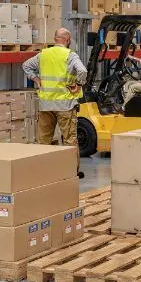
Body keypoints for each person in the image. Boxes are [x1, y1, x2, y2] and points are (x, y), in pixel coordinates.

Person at [23, 27, 88, 178]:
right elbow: (82, 71)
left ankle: (43, 173)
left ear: (55, 39)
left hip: (45, 105)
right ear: (68, 40)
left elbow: (26, 65)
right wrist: (78, 84)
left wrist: (35, 79)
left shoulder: (43, 54)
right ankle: (71, 172)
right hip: (65, 105)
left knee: (43, 141)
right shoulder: (70, 55)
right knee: (69, 140)